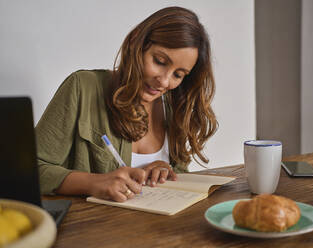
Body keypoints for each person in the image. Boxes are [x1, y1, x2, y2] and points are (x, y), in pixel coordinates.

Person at [36, 6, 218, 202]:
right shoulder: (82, 87)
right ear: (135, 42)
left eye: (178, 75)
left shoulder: (174, 107)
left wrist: (165, 173)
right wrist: (94, 182)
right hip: (91, 229)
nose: (165, 82)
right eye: (159, 61)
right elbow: (31, 170)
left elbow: (180, 179)